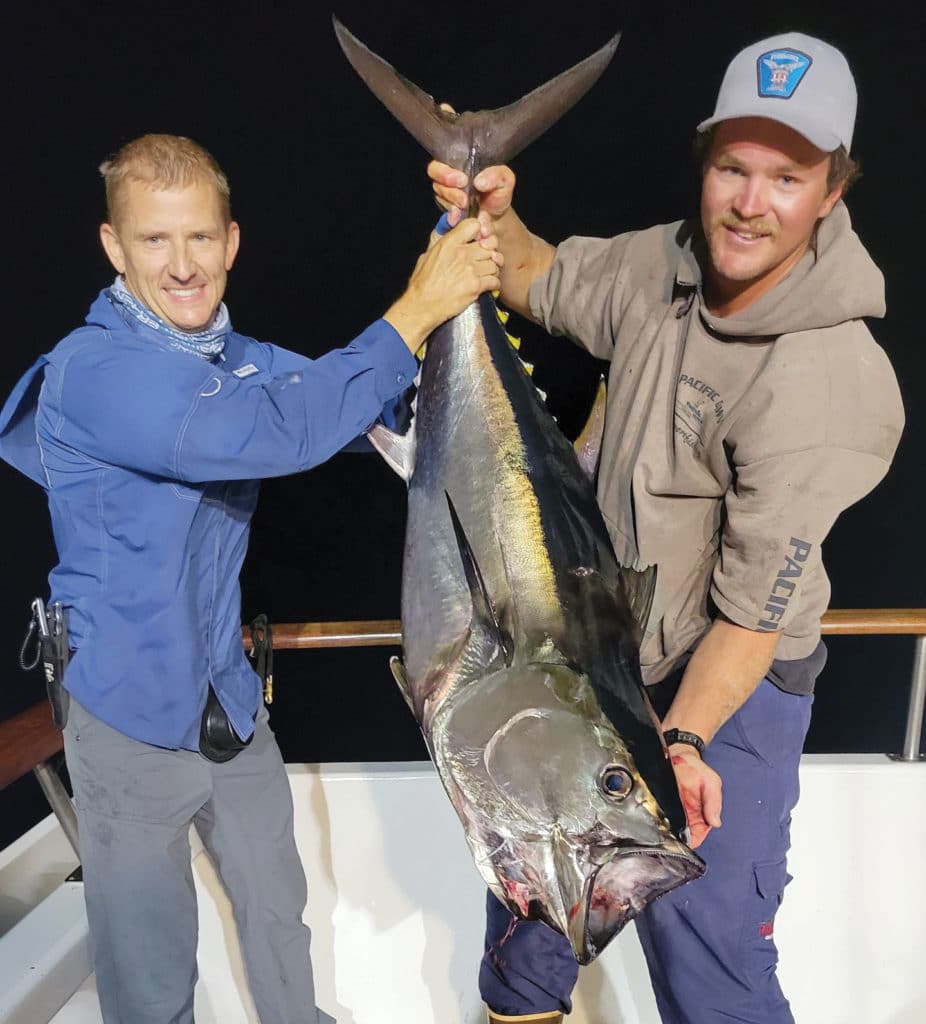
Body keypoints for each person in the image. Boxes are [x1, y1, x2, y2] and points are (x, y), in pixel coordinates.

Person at [430, 32, 904, 1024]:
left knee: (705, 953)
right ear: (706, 163)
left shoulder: (825, 377)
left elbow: (750, 614)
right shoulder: (663, 266)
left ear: (830, 189)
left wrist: (679, 739)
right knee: (527, 912)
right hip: (595, 646)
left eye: (785, 176)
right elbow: (537, 280)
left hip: (724, 685)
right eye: (732, 166)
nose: (747, 200)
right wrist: (488, 211)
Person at [0, 132, 502, 1024]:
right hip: (126, 719)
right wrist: (415, 311)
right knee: (152, 975)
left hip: (227, 706)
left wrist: (452, 237)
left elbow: (356, 405)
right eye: (154, 241)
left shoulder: (238, 361)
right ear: (115, 249)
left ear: (231, 243)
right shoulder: (95, 372)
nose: (183, 264)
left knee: (278, 917)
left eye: (200, 238)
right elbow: (268, 432)